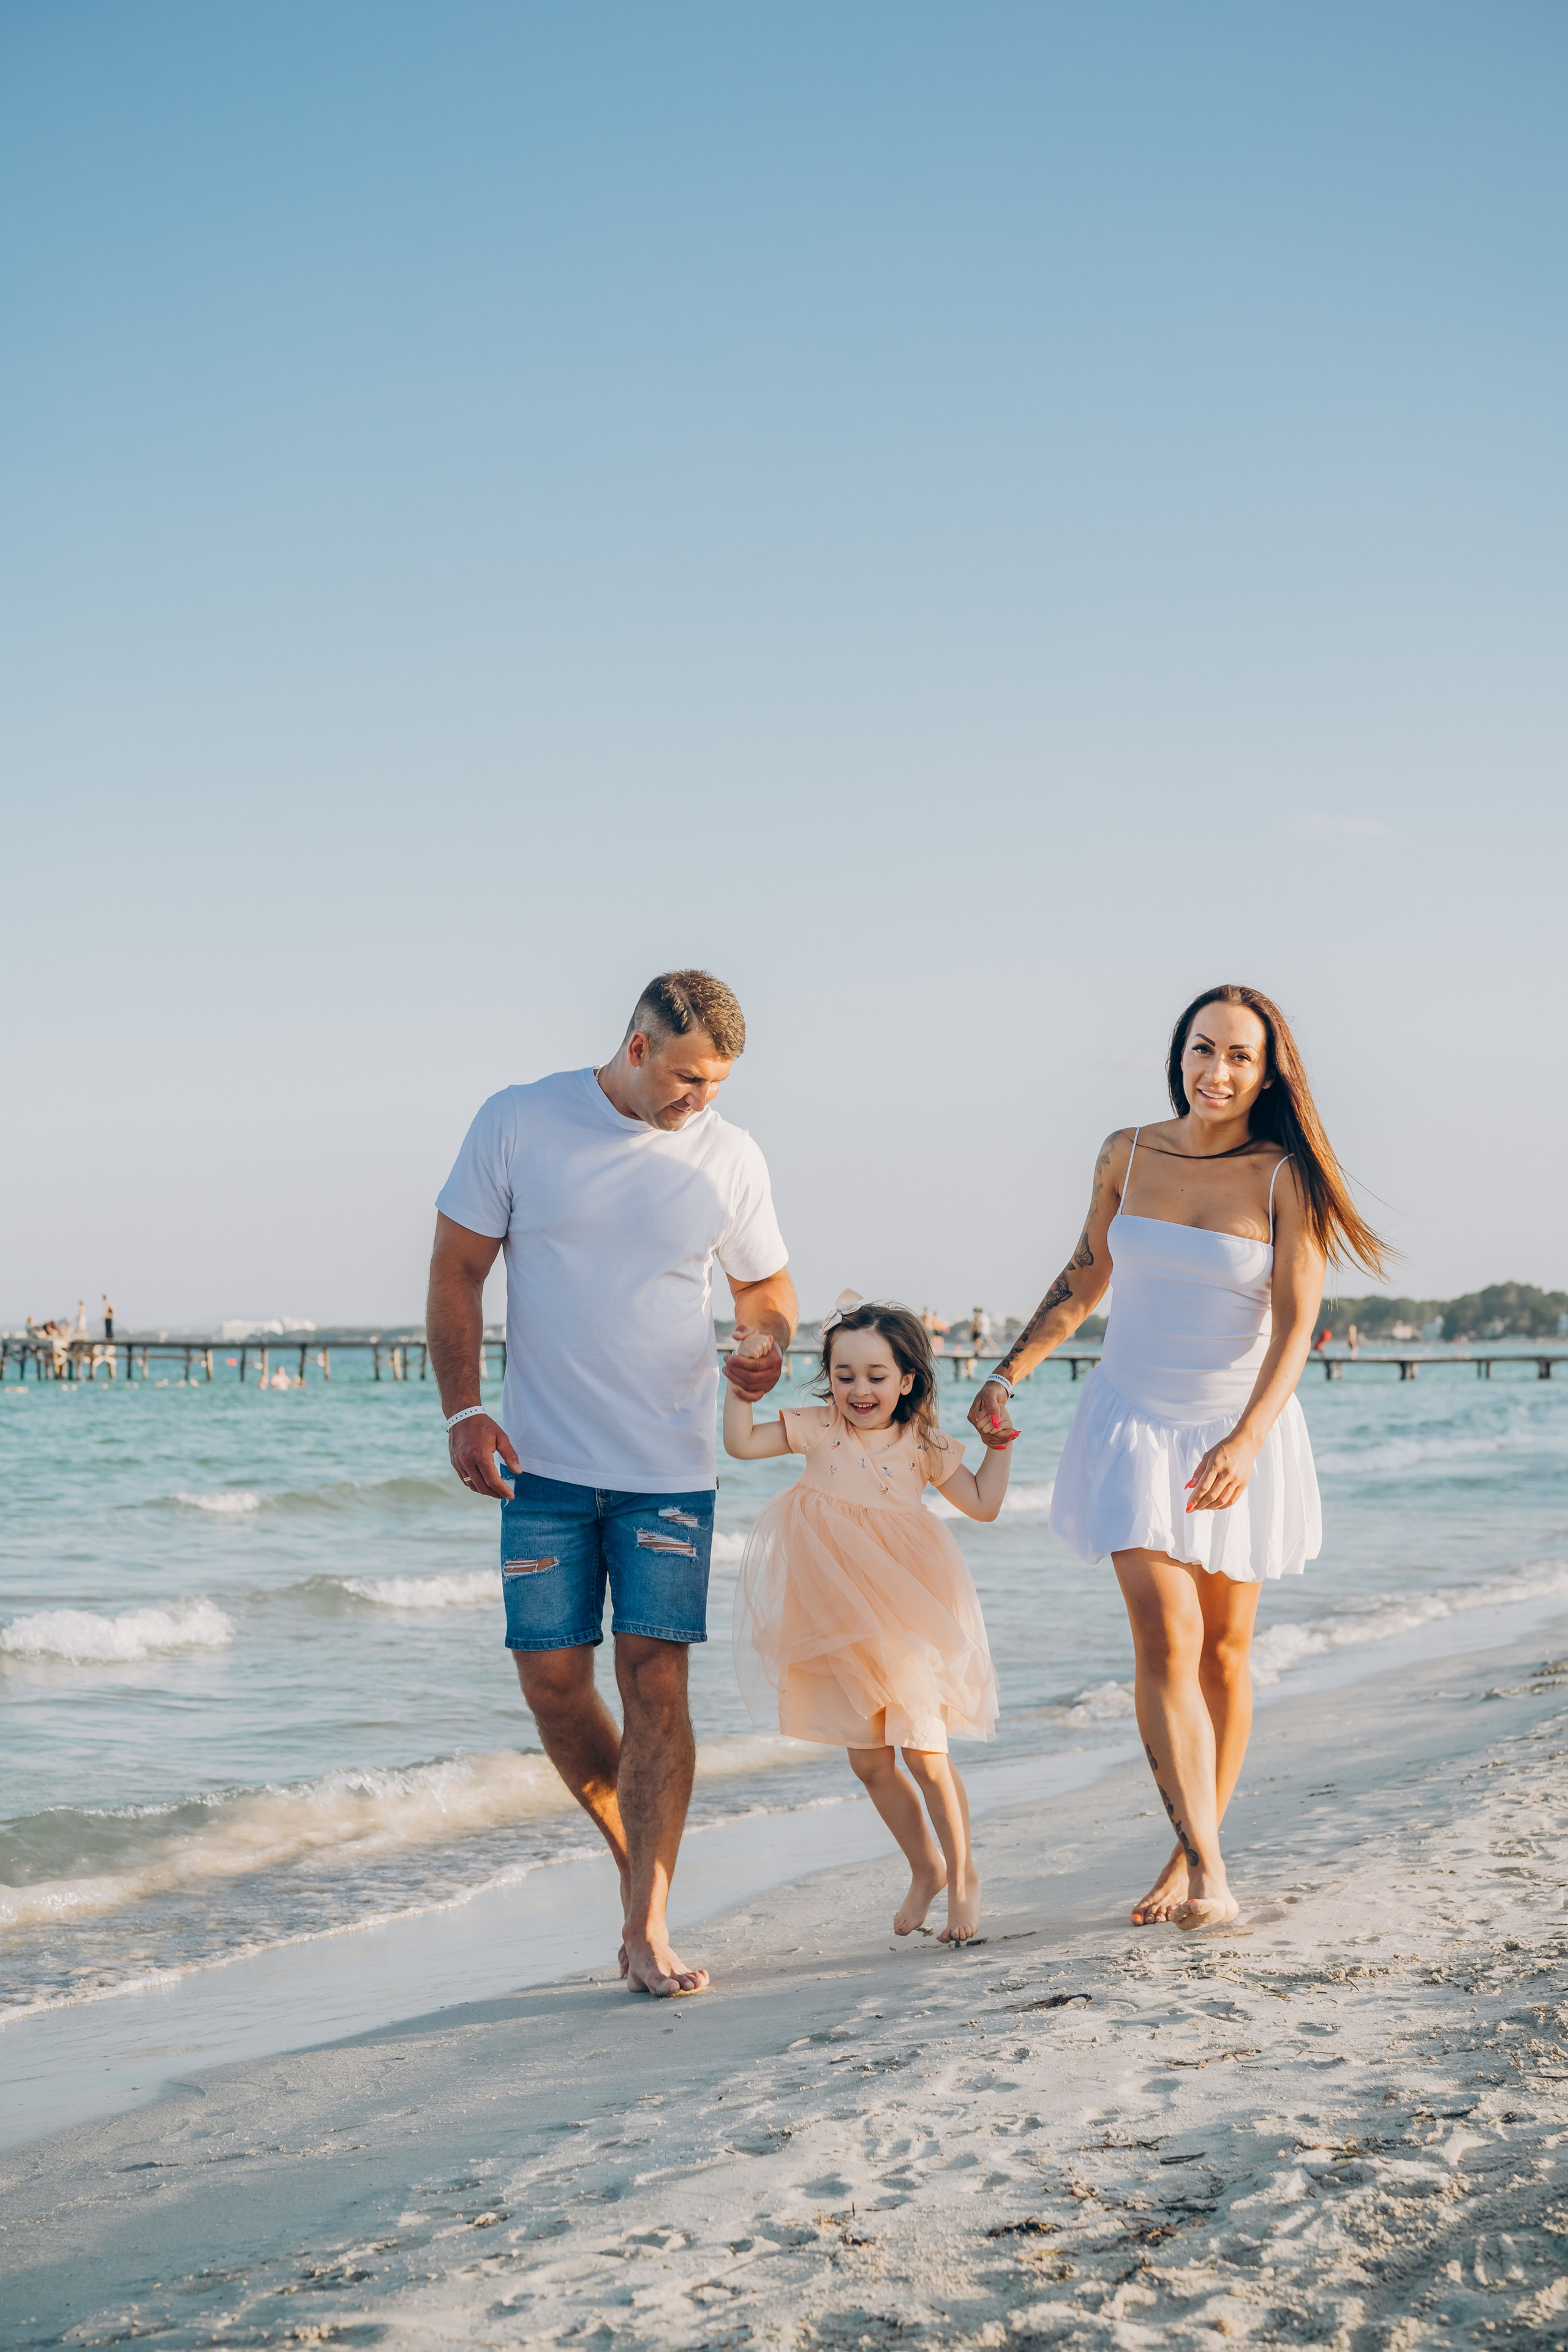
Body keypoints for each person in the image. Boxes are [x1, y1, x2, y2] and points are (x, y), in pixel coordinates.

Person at [968, 984, 1385, 1931]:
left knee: (1226, 1657)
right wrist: (1007, 1371)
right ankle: (1208, 1863)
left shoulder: (1285, 1177)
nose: (1217, 1071)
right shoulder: (1127, 1150)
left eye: (1240, 1056)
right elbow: (1086, 1275)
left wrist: (1248, 1438)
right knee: (1166, 1637)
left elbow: (1296, 1327)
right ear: (1180, 1052)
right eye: (1203, 1048)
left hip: (1236, 1431)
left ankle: (1185, 1849)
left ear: (1268, 1074)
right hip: (1129, 1421)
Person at [427, 971, 795, 1998]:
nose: (700, 1101)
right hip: (539, 1467)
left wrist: (764, 1341)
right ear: (637, 1047)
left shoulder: (730, 1155)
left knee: (655, 1680)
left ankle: (647, 1923)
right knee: (552, 1685)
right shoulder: (518, 1121)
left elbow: (765, 1285)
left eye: (717, 1085)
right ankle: (640, 1862)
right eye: (687, 1079)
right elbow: (457, 1269)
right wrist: (463, 1410)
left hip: (668, 1469)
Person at [727, 1294, 1011, 1945]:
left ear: (907, 1380)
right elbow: (739, 1444)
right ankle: (926, 1868)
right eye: (844, 1375)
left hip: (910, 1615)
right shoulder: (817, 1428)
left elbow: (983, 1503)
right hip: (839, 1620)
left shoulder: (922, 1443)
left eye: (876, 1376)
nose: (859, 1390)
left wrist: (998, 1448)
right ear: (827, 1376)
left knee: (927, 1755)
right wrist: (742, 1382)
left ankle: (964, 1878)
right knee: (869, 1762)